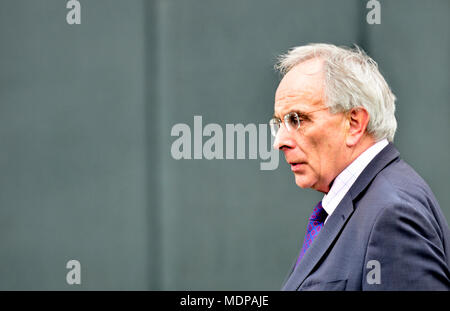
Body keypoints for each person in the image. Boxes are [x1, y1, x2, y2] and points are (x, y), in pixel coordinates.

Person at [270, 43, 450, 290]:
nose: (280, 141)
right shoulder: (365, 205)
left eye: (297, 119)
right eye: (279, 122)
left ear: (354, 123)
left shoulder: (391, 215)